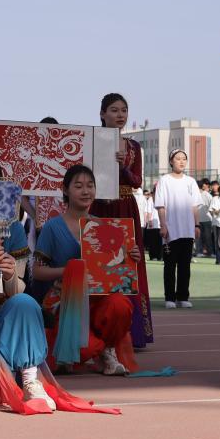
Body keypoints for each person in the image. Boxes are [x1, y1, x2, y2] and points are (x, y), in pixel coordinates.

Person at [0, 152, 117, 414]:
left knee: (25, 303)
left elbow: (17, 291)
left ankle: (29, 379)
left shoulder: (13, 227)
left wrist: (8, 276)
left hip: (4, 314)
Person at [34, 165, 137, 375]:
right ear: (65, 190)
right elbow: (36, 271)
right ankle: (91, 349)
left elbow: (115, 270)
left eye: (90, 186)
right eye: (78, 186)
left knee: (120, 305)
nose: (85, 191)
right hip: (66, 303)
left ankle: (107, 351)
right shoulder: (52, 227)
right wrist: (68, 271)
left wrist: (130, 257)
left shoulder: (104, 226)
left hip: (98, 300)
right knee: (84, 351)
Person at [90, 93, 153, 345]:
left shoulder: (133, 146)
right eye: (114, 110)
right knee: (99, 263)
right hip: (98, 207)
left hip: (126, 207)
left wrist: (122, 167)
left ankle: (133, 332)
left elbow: (137, 182)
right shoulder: (91, 141)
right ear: (102, 114)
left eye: (123, 110)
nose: (120, 115)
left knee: (130, 261)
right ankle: (98, 328)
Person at [154, 149, 202, 309]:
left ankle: (183, 297)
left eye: (184, 159)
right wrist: (163, 225)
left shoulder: (191, 181)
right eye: (178, 158)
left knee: (185, 265)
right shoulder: (164, 180)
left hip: (188, 229)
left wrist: (196, 225)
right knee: (170, 265)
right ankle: (170, 298)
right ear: (171, 161)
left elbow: (195, 206)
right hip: (171, 229)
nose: (181, 161)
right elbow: (161, 205)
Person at [195, 179, 214, 258]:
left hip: (207, 219)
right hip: (197, 220)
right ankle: (199, 252)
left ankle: (210, 252)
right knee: (198, 237)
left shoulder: (207, 195)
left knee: (208, 237)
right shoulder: (194, 195)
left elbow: (211, 206)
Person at [142, 189, 163, 261]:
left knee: (160, 242)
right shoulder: (150, 199)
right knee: (152, 242)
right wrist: (150, 220)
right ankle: (153, 256)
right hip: (153, 224)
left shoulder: (162, 198)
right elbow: (149, 211)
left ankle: (160, 256)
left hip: (160, 224)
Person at [208, 180, 220, 264]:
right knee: (219, 241)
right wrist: (217, 211)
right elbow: (211, 211)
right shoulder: (215, 199)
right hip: (218, 223)